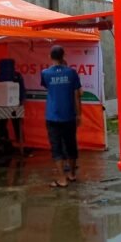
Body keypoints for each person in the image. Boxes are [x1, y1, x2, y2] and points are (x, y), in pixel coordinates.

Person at [40, 45, 82, 187]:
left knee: (56, 147)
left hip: (53, 115)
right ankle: (72, 174)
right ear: (63, 56)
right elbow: (77, 95)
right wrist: (79, 114)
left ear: (50, 57)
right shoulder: (72, 73)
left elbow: (48, 87)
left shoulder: (45, 73)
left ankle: (62, 179)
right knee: (71, 144)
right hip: (69, 115)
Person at [0, 57, 25, 152]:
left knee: (1, 126)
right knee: (18, 126)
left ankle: (4, 145)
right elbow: (22, 90)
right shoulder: (17, 75)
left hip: (1, 106)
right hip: (16, 105)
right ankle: (21, 146)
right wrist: (21, 102)